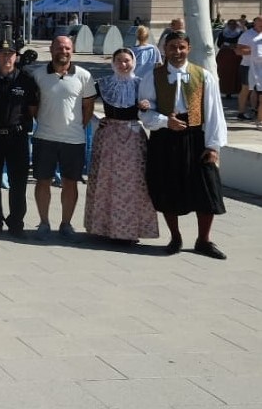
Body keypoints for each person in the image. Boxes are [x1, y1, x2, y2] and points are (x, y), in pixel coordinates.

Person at [140, 31, 229, 257]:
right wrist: (164, 122)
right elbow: (145, 111)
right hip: (165, 138)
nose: (177, 52)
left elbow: (213, 113)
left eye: (181, 47)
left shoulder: (202, 76)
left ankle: (204, 240)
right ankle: (175, 237)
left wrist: (213, 146)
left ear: (188, 48)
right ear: (165, 49)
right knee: (167, 188)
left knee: (206, 190)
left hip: (196, 137)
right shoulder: (154, 76)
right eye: (172, 47)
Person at [84, 48, 158, 243]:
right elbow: (83, 102)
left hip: (133, 138)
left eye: (127, 61)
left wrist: (147, 107)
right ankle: (104, 227)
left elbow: (156, 105)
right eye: (119, 61)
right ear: (113, 63)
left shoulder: (141, 85)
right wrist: (94, 120)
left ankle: (129, 230)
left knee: (133, 184)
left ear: (133, 62)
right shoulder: (104, 84)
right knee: (106, 182)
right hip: (108, 138)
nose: (123, 65)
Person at [30, 35, 97, 240]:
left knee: (70, 183)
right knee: (43, 181)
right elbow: (34, 107)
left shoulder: (84, 76)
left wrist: (78, 126)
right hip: (45, 137)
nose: (63, 51)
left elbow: (88, 107)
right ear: (51, 49)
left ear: (72, 50)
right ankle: (43, 222)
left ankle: (66, 223)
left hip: (74, 140)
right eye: (59, 47)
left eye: (67, 48)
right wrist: (46, 121)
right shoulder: (38, 75)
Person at [0, 39, 39, 237]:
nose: (6, 58)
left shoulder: (26, 80)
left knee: (18, 183)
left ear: (16, 56)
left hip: (16, 137)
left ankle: (16, 222)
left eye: (10, 54)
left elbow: (33, 108)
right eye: (2, 54)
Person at [236, 16, 262, 121]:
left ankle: (257, 111)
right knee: (246, 89)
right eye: (260, 22)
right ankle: (241, 112)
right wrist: (255, 52)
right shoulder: (247, 35)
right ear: (254, 23)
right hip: (248, 66)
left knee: (259, 91)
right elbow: (238, 51)